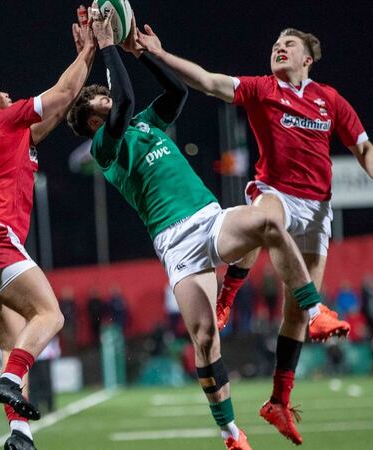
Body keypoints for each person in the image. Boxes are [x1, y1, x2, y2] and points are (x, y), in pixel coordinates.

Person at [135, 25, 373, 444]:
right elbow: (208, 82)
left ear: (307, 58)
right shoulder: (262, 89)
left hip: (318, 209)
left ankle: (278, 401)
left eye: (288, 44)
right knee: (266, 222)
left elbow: (364, 149)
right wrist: (160, 53)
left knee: (294, 315)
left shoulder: (329, 100)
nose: (278, 48)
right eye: (275, 44)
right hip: (275, 192)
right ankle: (230, 294)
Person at [67, 14, 332, 450]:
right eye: (100, 100)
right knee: (206, 339)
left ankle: (312, 309)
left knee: (266, 220)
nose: (108, 98)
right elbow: (125, 99)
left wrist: (143, 53)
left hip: (209, 219)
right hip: (176, 245)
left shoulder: (144, 123)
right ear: (94, 120)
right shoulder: (104, 148)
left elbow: (178, 91)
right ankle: (231, 433)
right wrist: (107, 45)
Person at [0, 8, 94, 450]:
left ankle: (19, 434)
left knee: (16, 344)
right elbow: (63, 91)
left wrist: (85, 57)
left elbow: (62, 107)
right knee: (50, 316)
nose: (8, 94)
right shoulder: (2, 120)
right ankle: (9, 382)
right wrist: (91, 46)